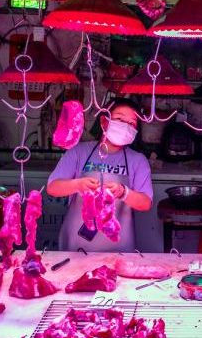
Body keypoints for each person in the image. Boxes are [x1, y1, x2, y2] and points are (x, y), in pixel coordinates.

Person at [47, 98, 153, 252]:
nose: (126, 126)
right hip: (76, 246)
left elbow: (145, 203)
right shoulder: (79, 152)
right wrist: (78, 185)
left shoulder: (138, 160)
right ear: (104, 121)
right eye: (120, 119)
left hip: (119, 248)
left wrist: (124, 192)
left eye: (132, 124)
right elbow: (52, 187)